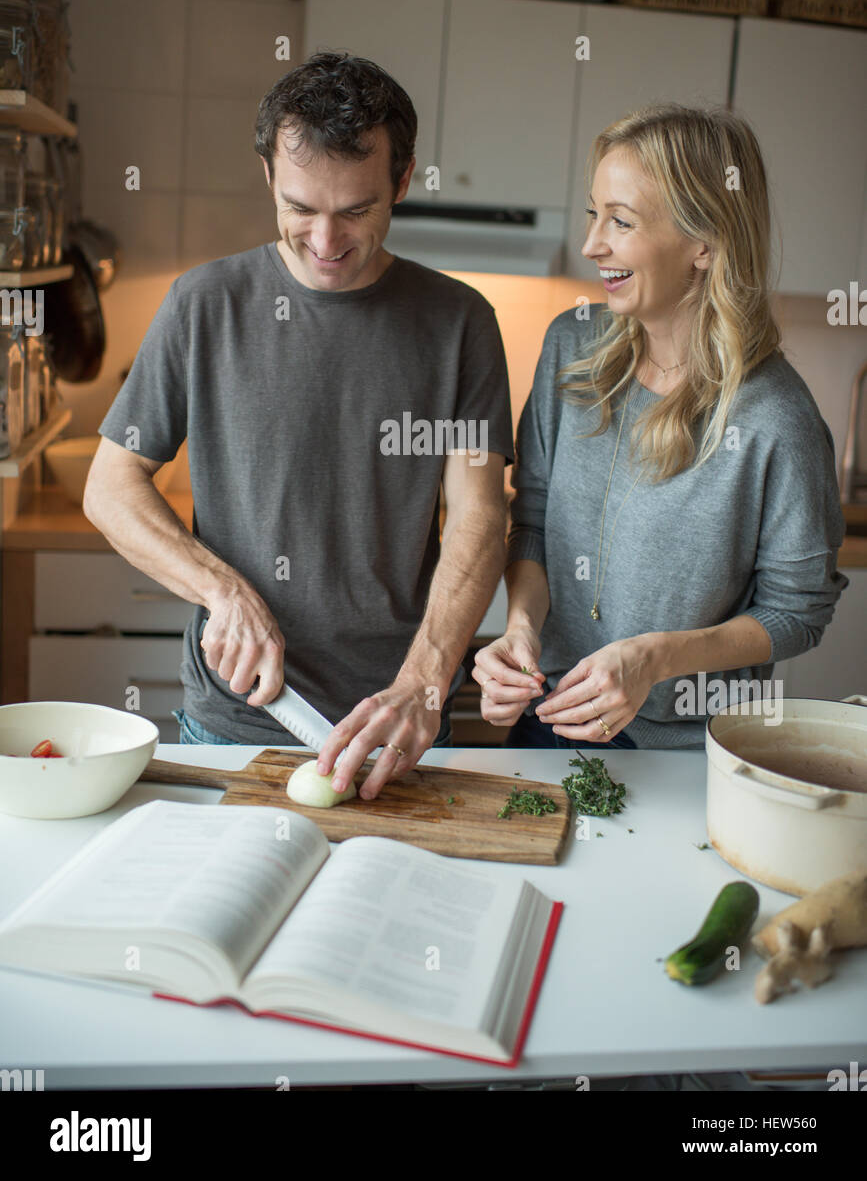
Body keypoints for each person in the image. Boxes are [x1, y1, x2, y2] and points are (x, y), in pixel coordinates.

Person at [84, 52, 513, 798]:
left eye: (354, 210)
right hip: (237, 719)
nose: (324, 239)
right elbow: (110, 486)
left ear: (402, 181)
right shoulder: (204, 304)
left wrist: (422, 682)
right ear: (267, 176)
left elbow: (480, 513)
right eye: (300, 208)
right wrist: (222, 591)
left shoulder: (458, 322)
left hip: (399, 718)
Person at [473, 103, 848, 750]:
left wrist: (654, 658)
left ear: (703, 243)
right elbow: (531, 521)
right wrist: (520, 629)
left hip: (682, 753)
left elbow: (796, 612)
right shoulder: (572, 348)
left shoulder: (774, 419)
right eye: (594, 214)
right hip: (550, 715)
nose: (593, 244)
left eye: (620, 221)